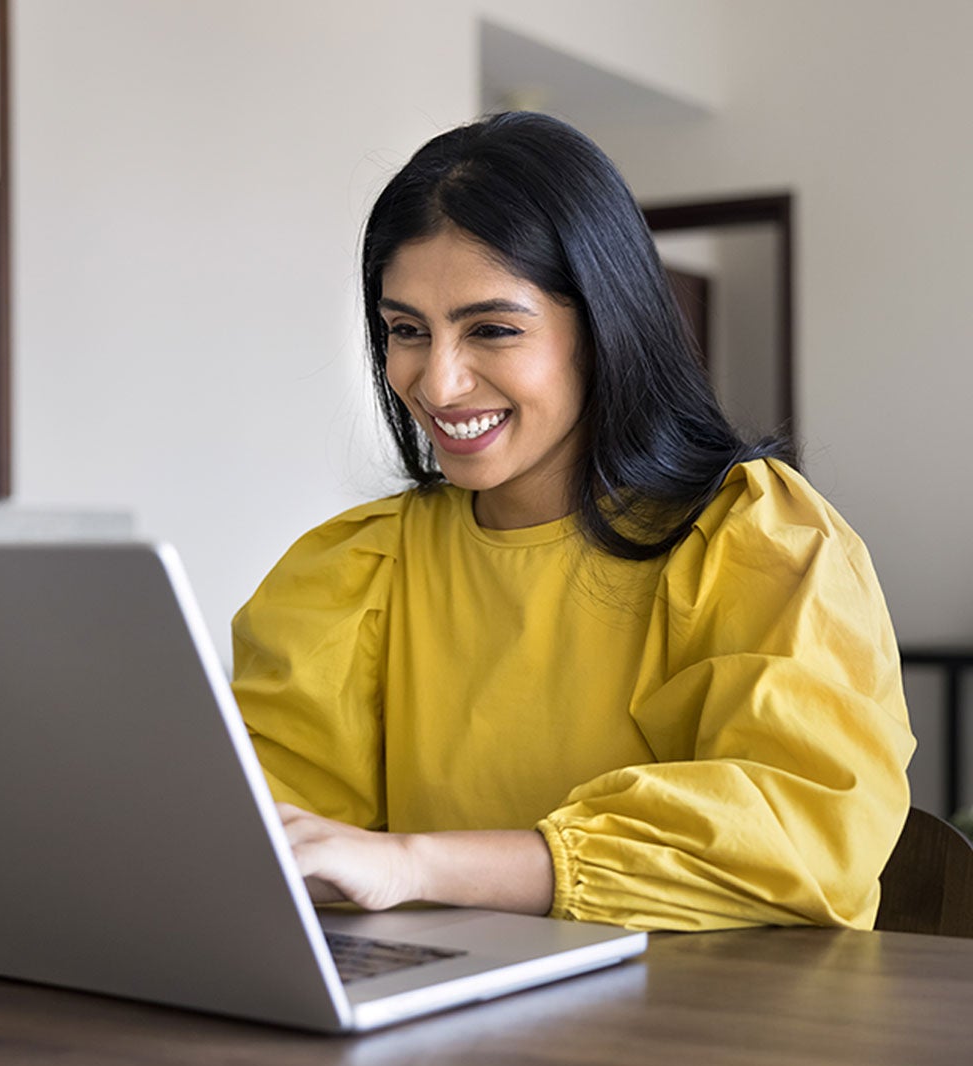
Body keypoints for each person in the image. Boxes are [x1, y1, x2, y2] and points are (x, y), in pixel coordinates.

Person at [231, 112, 914, 931]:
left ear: (603, 327)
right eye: (407, 331)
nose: (438, 384)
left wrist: (415, 862)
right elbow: (278, 837)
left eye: (492, 329)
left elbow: (802, 834)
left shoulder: (758, 539)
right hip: (452, 1032)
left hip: (716, 1029)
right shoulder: (354, 569)